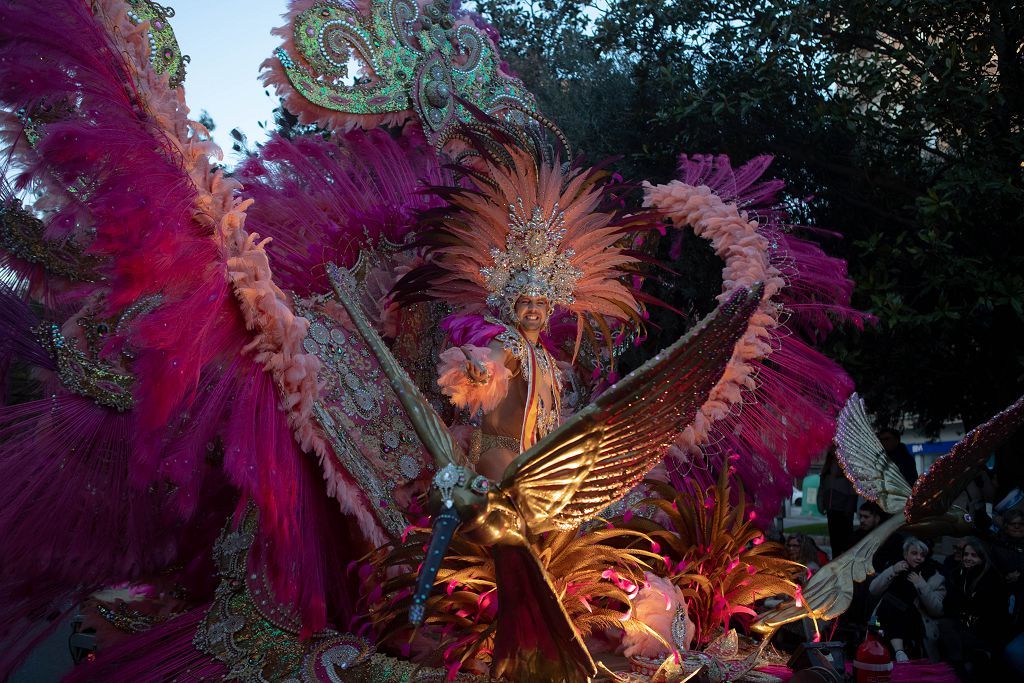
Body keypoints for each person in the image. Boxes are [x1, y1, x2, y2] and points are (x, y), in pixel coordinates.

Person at [940, 537, 1009, 680]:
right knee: (945, 625)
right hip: (963, 623)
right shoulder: (957, 575)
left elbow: (990, 612)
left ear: (982, 558)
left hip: (985, 629)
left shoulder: (991, 578)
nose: (968, 558)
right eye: (966, 554)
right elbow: (949, 605)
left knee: (962, 638)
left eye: (973, 555)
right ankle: (959, 668)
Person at [869, 536, 945, 662]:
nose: (918, 558)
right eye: (914, 553)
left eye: (922, 555)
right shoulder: (895, 567)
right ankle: (899, 652)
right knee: (886, 607)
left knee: (894, 608)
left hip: (915, 622)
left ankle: (899, 652)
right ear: (905, 554)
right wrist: (893, 570)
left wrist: (921, 585)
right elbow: (873, 590)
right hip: (881, 618)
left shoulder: (934, 576)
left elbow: (937, 609)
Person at [817, 446, 857, 556]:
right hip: (831, 509)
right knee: (834, 539)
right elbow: (822, 488)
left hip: (843, 509)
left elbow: (852, 491)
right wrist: (821, 504)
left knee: (845, 538)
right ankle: (836, 559)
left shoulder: (846, 468)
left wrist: (849, 507)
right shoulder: (827, 467)